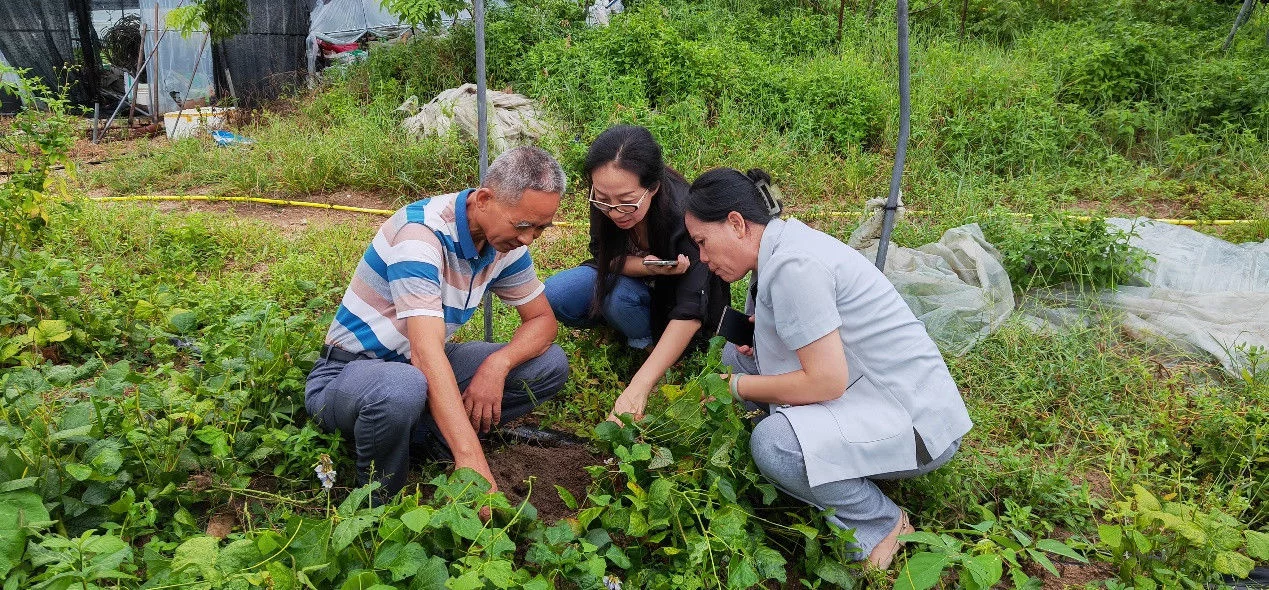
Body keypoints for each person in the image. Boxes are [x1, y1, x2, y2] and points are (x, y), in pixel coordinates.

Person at [682, 167, 973, 569]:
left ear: (736, 224)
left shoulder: (793, 266)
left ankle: (881, 525)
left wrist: (738, 388)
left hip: (917, 426)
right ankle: (827, 466)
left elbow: (826, 380)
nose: (702, 257)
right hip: (872, 390)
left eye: (702, 242)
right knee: (737, 354)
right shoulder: (782, 249)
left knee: (773, 444)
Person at [305, 146, 571, 498]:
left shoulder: (505, 245)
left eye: (539, 229)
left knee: (548, 363)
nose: (527, 238)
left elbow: (542, 322)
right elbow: (426, 353)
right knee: (402, 388)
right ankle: (380, 502)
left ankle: (425, 440)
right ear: (485, 199)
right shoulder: (421, 235)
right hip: (349, 376)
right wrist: (472, 460)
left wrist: (498, 365)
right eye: (522, 225)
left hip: (417, 372)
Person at [543, 125, 728, 421]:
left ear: (653, 187)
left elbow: (692, 308)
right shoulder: (606, 197)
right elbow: (603, 255)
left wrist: (639, 386)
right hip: (635, 284)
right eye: (604, 199)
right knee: (557, 293)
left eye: (627, 202)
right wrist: (646, 266)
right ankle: (626, 328)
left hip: (677, 305)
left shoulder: (687, 215)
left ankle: (656, 355)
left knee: (617, 297)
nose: (615, 212)